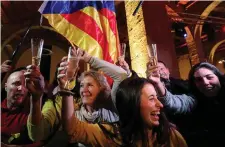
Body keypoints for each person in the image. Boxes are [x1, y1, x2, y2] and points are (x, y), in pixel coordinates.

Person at [27, 47, 127, 146]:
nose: (84, 89)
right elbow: (37, 135)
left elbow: (121, 76)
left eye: (90, 85)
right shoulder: (59, 103)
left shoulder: (110, 107)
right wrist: (36, 99)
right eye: (62, 69)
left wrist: (90, 59)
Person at [115, 77, 187, 147]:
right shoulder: (111, 138)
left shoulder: (172, 137)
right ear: (132, 104)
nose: (160, 105)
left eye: (157, 97)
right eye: (152, 98)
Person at [1, 67, 42, 147]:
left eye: (25, 85)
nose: (21, 88)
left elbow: (40, 143)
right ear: (6, 86)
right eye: (16, 83)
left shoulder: (32, 111)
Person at [187, 62, 225, 147]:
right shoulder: (195, 100)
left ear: (218, 77)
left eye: (209, 77)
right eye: (199, 80)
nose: (205, 82)